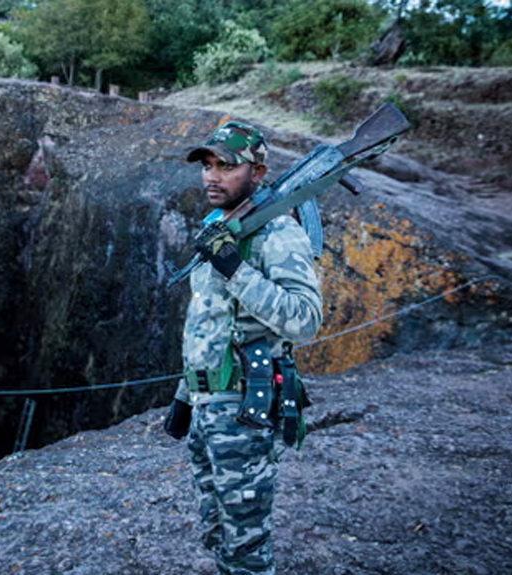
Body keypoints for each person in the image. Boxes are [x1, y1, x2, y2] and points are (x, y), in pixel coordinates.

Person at [163, 121, 323, 575]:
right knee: (215, 532)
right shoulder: (221, 228)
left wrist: (235, 268)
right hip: (208, 404)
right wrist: (184, 396)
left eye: (226, 166)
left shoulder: (276, 233)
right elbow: (208, 323)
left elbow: (305, 320)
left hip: (244, 412)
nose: (211, 176)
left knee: (246, 548)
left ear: (257, 171)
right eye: (207, 165)